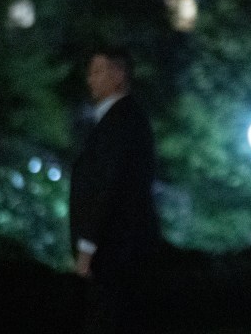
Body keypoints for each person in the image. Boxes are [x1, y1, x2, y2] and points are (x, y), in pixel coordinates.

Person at [69, 46, 160, 333]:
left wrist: (87, 246)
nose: (90, 79)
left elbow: (106, 186)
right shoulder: (126, 119)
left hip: (113, 251)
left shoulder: (119, 122)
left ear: (119, 75)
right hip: (123, 250)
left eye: (98, 71)